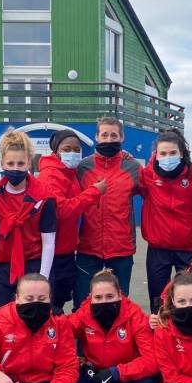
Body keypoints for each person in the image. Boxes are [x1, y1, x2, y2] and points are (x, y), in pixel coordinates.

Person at [60, 269, 158, 383]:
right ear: (90, 298)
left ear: (120, 295)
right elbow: (63, 330)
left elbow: (152, 359)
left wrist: (117, 372)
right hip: (95, 373)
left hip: (125, 373)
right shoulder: (84, 313)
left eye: (110, 296)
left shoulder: (135, 316)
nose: (104, 301)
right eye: (99, 297)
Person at [0, 129, 57, 310]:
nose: (15, 168)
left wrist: (43, 278)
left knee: (33, 318)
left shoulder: (44, 196)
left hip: (33, 265)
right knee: (3, 317)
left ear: (28, 163)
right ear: (1, 163)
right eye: (10, 163)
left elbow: (48, 241)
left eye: (20, 163)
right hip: (3, 265)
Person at [36, 129, 105, 314]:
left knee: (60, 299)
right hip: (52, 253)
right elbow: (62, 210)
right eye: (67, 149)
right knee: (50, 304)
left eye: (77, 149)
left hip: (66, 250)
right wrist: (94, 192)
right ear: (56, 151)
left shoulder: (70, 172)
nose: (73, 153)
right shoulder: (50, 175)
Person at [74, 116, 142, 304]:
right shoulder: (83, 167)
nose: (109, 139)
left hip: (121, 249)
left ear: (122, 138)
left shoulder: (133, 167)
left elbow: (153, 188)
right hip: (88, 247)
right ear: (96, 136)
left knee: (120, 303)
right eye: (105, 135)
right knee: (83, 302)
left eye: (114, 135)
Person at [139, 128, 192, 312]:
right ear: (156, 156)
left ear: (181, 153)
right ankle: (159, 333)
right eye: (163, 153)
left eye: (173, 153)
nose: (168, 157)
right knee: (158, 299)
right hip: (158, 249)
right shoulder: (148, 174)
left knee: (190, 298)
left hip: (188, 248)